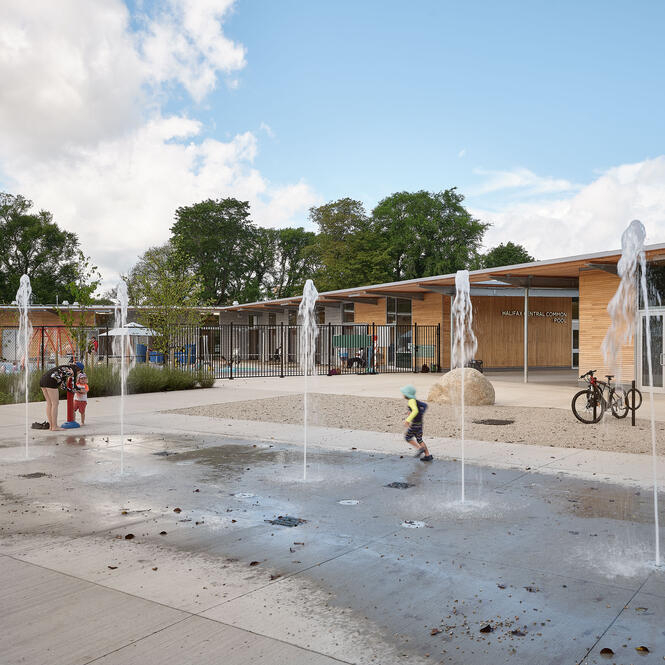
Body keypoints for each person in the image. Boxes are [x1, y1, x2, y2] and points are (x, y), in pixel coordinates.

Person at [39, 361, 83, 431]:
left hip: (43, 380)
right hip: (51, 381)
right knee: (55, 404)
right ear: (79, 370)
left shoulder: (65, 367)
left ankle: (51, 425)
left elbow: (63, 386)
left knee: (49, 403)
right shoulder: (72, 371)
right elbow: (73, 385)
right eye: (80, 372)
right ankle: (54, 426)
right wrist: (76, 389)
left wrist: (69, 389)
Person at [400, 384, 433, 462]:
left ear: (407, 394)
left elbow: (415, 410)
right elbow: (425, 405)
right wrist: (421, 413)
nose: (403, 394)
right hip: (420, 423)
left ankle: (419, 448)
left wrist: (408, 420)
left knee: (407, 437)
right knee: (419, 439)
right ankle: (427, 455)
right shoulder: (416, 401)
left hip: (415, 424)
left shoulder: (411, 401)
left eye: (404, 393)